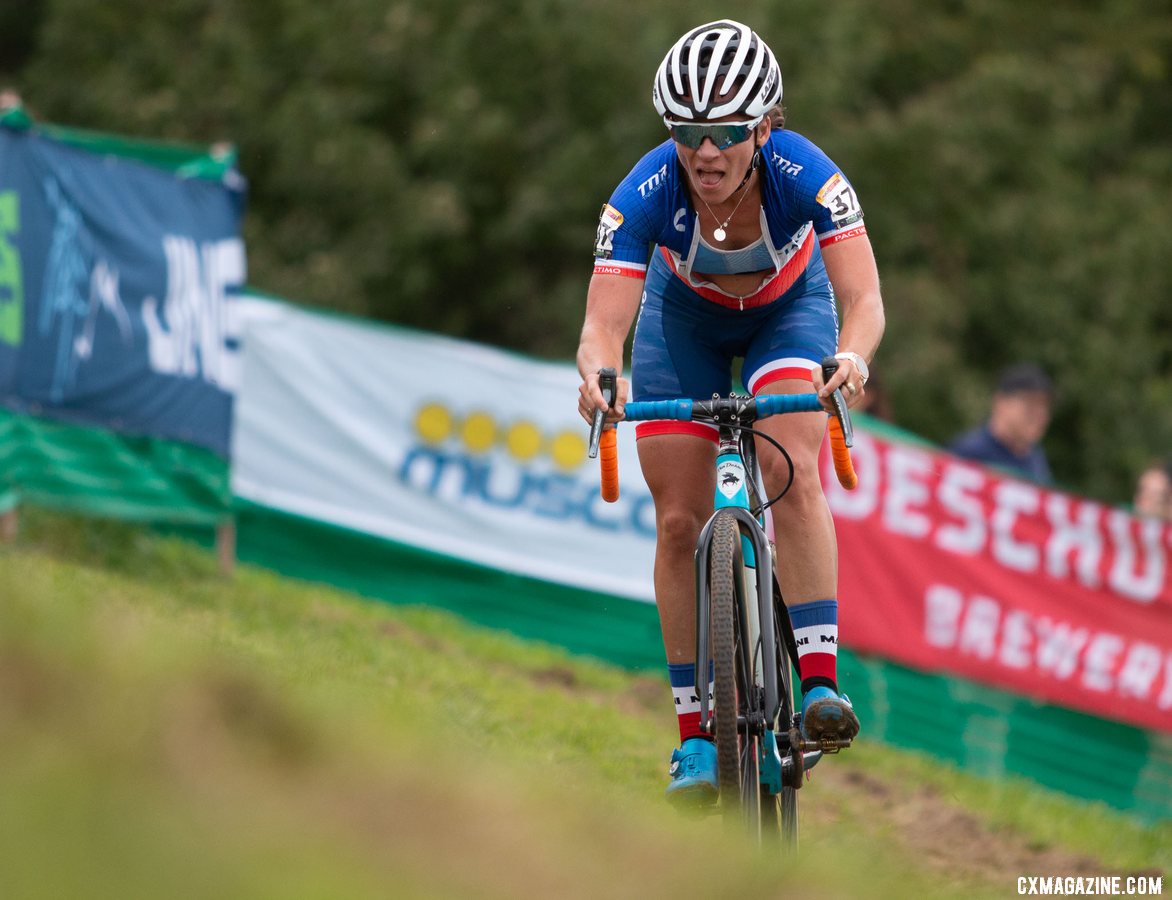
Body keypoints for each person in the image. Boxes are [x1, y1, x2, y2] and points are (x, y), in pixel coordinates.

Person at [575, 20, 885, 806]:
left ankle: (817, 682)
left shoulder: (805, 175)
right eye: (687, 131)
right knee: (679, 522)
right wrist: (599, 378)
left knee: (789, 465)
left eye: (724, 132)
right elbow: (603, 328)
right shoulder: (645, 191)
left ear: (765, 127)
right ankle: (692, 744)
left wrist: (850, 358)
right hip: (685, 326)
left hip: (791, 314)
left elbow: (863, 300)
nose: (705, 151)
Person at [949, 363, 1054, 485]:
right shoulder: (968, 453)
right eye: (1030, 404)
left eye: (1045, 406)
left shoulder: (1036, 459)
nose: (1039, 414)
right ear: (1001, 402)